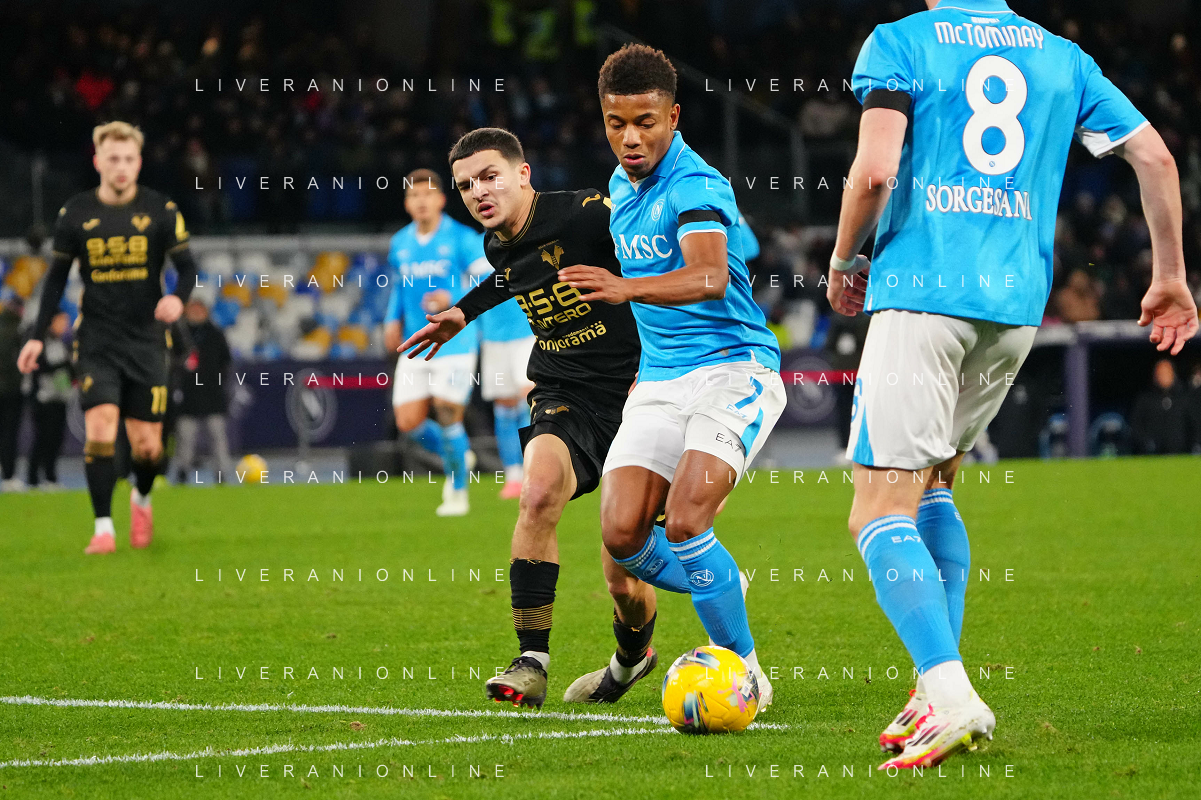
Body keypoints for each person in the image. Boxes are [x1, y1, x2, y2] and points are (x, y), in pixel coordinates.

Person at [827, 0, 1198, 770]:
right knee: (934, 483)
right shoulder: (1061, 56)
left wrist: (841, 260)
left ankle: (951, 693)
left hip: (922, 294)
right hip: (1014, 309)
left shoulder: (899, 42)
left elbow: (875, 169)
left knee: (876, 507)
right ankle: (932, 690)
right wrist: (1168, 275)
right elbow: (1156, 159)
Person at [557, 44, 787, 709]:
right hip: (660, 381)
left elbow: (709, 276)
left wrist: (625, 287)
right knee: (622, 535)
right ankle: (719, 580)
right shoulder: (619, 188)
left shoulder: (695, 185)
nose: (631, 137)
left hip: (733, 370)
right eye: (616, 123)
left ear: (674, 117)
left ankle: (746, 674)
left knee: (685, 522)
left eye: (646, 122)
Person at [400, 127, 652, 709]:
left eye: (489, 176)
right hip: (565, 390)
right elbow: (513, 274)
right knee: (536, 495)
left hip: (643, 390)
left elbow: (662, 257)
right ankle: (531, 661)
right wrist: (463, 312)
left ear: (523, 174)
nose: (478, 192)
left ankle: (631, 659)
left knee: (624, 572)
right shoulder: (496, 243)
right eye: (466, 185)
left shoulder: (589, 214)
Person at [17, 121, 197, 554]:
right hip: (97, 338)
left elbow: (188, 267)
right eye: (113, 158)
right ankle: (103, 528)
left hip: (147, 340)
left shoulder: (161, 209)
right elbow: (56, 280)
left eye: (128, 159)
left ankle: (142, 498)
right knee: (100, 428)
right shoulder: (76, 213)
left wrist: (177, 300)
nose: (121, 166)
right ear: (98, 161)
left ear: (139, 162)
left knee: (148, 447)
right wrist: (37, 337)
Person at [383, 169, 485, 517]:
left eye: (427, 194)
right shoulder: (400, 243)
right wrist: (391, 319)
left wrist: (452, 297)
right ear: (407, 203)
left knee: (445, 410)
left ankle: (457, 491)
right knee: (408, 423)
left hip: (456, 341)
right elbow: (398, 287)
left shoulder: (462, 238)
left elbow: (488, 280)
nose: (421, 201)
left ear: (441, 199)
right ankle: (458, 453)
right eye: (414, 196)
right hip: (416, 342)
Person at [472, 265, 536, 500]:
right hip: (493, 338)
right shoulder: (473, 251)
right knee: (505, 407)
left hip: (526, 333)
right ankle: (513, 476)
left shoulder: (520, 245)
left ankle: (535, 470)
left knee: (531, 399)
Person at [172, 297, 234, 483]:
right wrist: (181, 368)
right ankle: (182, 470)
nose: (196, 313)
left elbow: (226, 362)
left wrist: (219, 382)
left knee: (217, 435)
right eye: (193, 310)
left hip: (212, 393)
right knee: (185, 436)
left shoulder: (215, 334)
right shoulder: (180, 333)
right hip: (188, 393)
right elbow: (171, 360)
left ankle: (221, 472)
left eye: (199, 310)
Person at [26, 309, 73, 490]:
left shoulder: (62, 343)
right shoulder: (40, 343)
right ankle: (32, 479)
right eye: (62, 321)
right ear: (52, 321)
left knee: (56, 440)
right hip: (43, 399)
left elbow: (70, 370)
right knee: (42, 439)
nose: (65, 325)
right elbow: (40, 368)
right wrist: (64, 365)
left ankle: (50, 477)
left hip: (60, 398)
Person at [1130, 358, 1191, 454]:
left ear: (1173, 374)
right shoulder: (1145, 399)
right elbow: (1136, 425)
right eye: (1160, 373)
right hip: (1151, 454)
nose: (1163, 376)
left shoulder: (1185, 398)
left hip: (1181, 453)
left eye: (1166, 372)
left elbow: (1193, 424)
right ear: (1155, 376)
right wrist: (1146, 443)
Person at [0, 290, 24, 492]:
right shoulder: (16, 330)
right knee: (9, 434)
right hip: (10, 390)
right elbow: (14, 363)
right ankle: (8, 475)